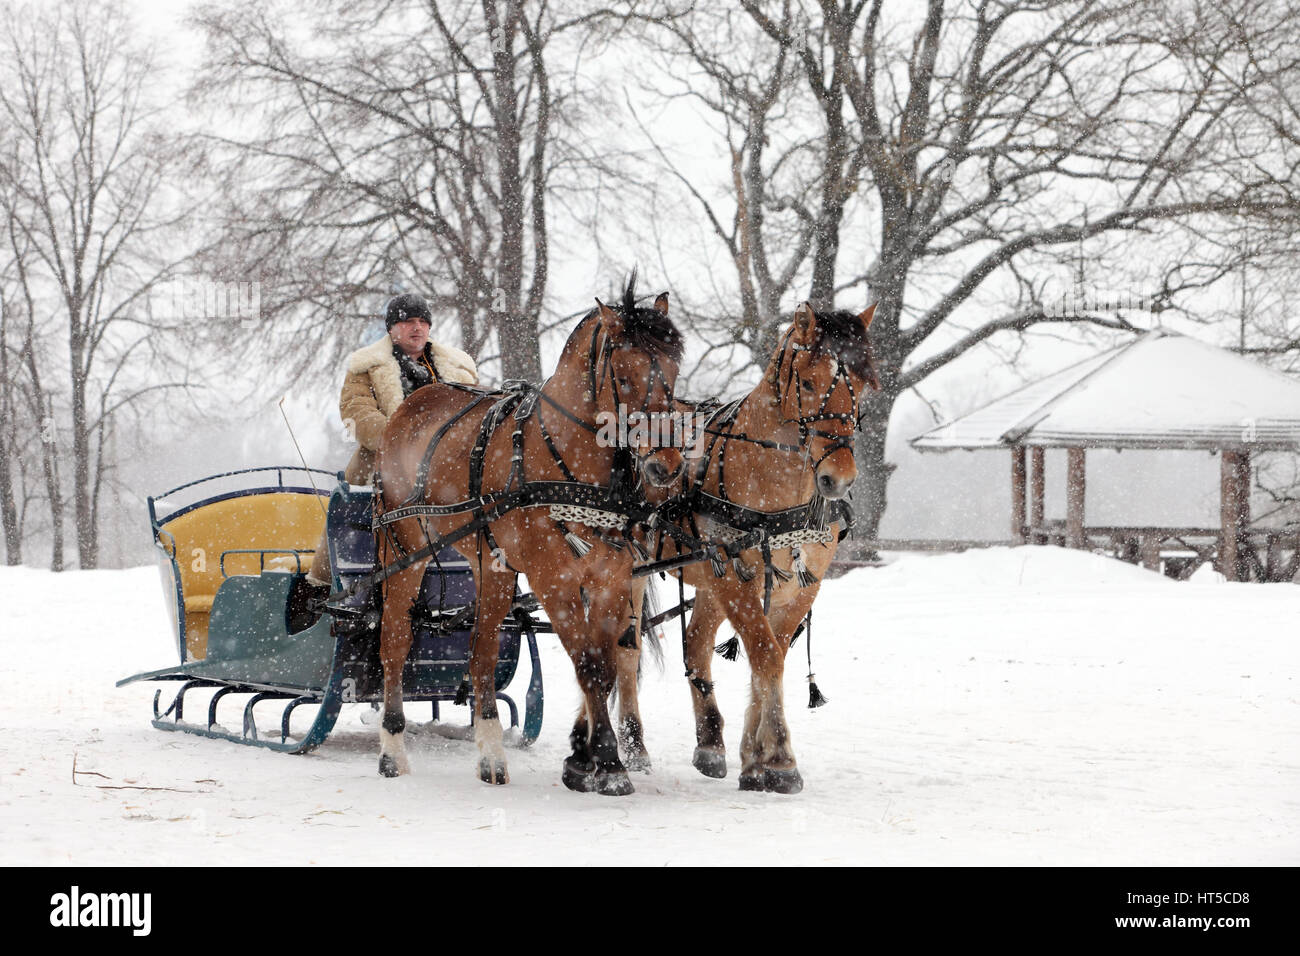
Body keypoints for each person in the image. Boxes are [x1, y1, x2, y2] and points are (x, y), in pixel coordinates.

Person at [303, 293, 478, 592]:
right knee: (348, 519)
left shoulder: (456, 367)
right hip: (381, 465)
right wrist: (401, 440)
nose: (418, 327)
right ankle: (320, 587)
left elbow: (475, 412)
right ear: (391, 328)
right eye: (409, 321)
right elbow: (356, 412)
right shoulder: (366, 367)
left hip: (448, 468)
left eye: (423, 321)